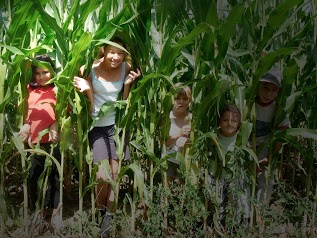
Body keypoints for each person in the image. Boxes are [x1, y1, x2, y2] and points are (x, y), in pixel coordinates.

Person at [73, 36, 141, 237]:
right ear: (103, 50)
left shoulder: (126, 68)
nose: (116, 57)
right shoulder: (89, 68)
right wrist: (89, 91)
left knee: (115, 175)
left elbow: (124, 103)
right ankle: (98, 211)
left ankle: (108, 219)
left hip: (117, 126)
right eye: (112, 51)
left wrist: (127, 86)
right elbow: (88, 106)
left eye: (120, 53)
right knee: (101, 175)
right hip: (96, 126)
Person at [18, 54, 61, 223]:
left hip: (52, 141)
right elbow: (27, 114)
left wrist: (53, 125)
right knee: (34, 177)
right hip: (33, 141)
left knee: (54, 178)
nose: (42, 77)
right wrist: (26, 127)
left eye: (45, 72)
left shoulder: (57, 89)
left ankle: (55, 213)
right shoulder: (28, 89)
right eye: (37, 73)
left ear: (52, 71)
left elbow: (62, 112)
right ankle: (38, 212)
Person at [254, 67, 290, 207]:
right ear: (257, 85)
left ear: (278, 92)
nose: (268, 94)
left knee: (266, 178)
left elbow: (281, 136)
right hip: (247, 144)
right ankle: (242, 216)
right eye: (265, 88)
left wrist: (267, 158)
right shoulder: (247, 103)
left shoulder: (279, 109)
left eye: (273, 90)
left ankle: (260, 213)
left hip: (266, 148)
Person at [209, 103, 242, 231]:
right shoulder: (214, 136)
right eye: (225, 120)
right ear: (219, 121)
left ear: (239, 123)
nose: (229, 124)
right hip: (216, 176)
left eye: (234, 120)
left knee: (233, 201)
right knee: (216, 202)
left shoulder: (240, 138)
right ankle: (216, 226)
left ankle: (231, 227)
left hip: (233, 177)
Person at [165, 83, 192, 185]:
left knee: (184, 189)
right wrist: (179, 134)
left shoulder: (191, 118)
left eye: (185, 99)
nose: (181, 102)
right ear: (172, 99)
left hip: (185, 160)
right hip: (168, 159)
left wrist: (186, 139)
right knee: (167, 188)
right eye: (177, 98)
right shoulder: (167, 118)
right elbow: (164, 142)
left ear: (189, 100)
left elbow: (194, 140)